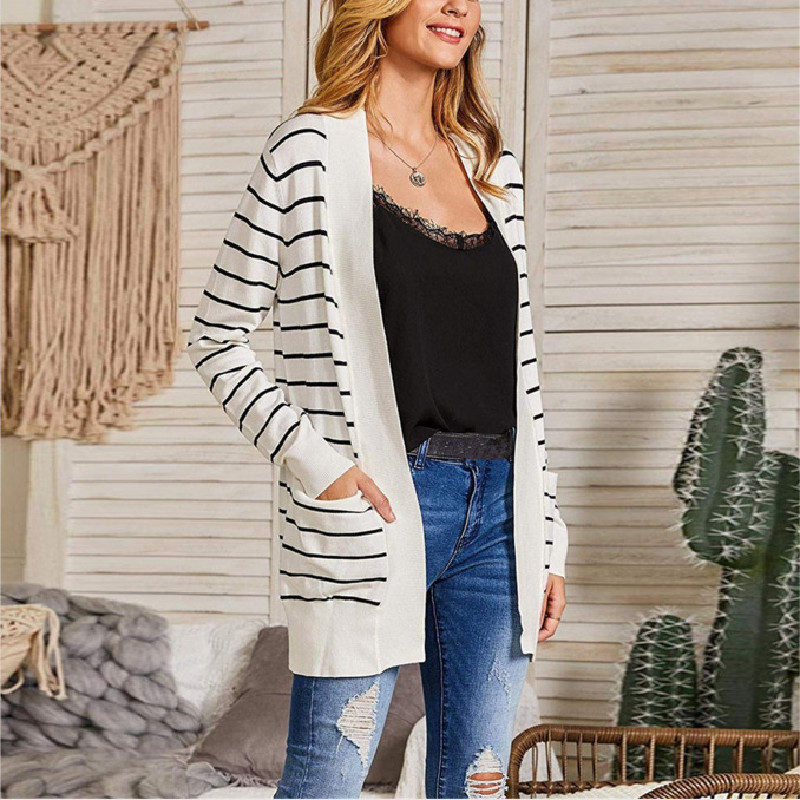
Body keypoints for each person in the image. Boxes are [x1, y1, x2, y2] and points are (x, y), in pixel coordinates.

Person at [187, 0, 569, 796]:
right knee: (328, 774)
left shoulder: (491, 165)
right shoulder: (307, 152)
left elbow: (518, 367)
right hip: (379, 504)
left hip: (504, 514)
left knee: (477, 781)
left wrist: (549, 532)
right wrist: (318, 465)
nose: (458, 6)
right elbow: (217, 335)